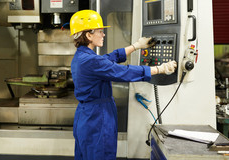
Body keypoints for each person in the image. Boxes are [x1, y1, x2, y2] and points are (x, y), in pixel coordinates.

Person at [70, 9, 177, 160]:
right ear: (88, 35)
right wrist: (159, 69)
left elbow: (108, 58)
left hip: (86, 116)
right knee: (101, 155)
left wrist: (136, 46)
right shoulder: (91, 60)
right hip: (97, 117)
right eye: (100, 31)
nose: (104, 34)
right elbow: (122, 71)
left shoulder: (82, 56)